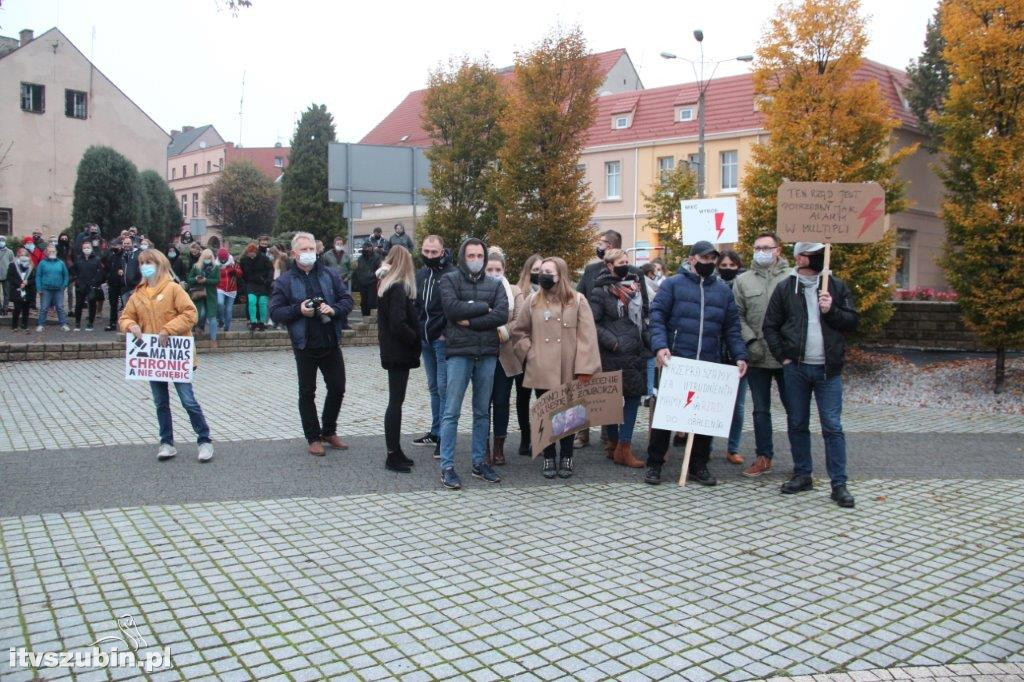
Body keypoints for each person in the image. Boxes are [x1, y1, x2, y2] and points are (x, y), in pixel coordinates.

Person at [762, 241, 859, 508]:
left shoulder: (835, 287)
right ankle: (803, 474)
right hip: (797, 368)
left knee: (832, 426)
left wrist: (832, 310)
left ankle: (839, 484)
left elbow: (852, 321)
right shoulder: (785, 288)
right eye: (811, 253)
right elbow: (770, 325)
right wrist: (784, 356)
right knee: (797, 422)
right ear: (799, 258)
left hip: (828, 370)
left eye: (819, 253)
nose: (816, 258)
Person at [643, 241, 748, 486]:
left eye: (713, 259)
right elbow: (657, 317)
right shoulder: (672, 285)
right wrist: (660, 346)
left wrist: (740, 355)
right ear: (692, 259)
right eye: (704, 258)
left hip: (709, 362)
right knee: (667, 415)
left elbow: (732, 327)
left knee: (704, 416)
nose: (709, 263)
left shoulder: (722, 291)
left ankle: (698, 465)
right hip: (676, 361)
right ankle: (655, 464)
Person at [120, 248, 214, 462]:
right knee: (160, 402)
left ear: (160, 264)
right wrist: (131, 325)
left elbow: (190, 313)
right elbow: (125, 317)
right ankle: (166, 442)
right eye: (142, 263)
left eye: (149, 262)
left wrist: (168, 329)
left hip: (177, 358)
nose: (145, 266)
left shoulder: (173, 289)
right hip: (153, 360)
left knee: (188, 401)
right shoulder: (138, 293)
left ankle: (204, 440)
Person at [511, 256, 601, 478]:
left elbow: (587, 337)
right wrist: (530, 353)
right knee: (546, 413)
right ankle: (549, 456)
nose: (543, 275)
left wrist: (584, 367)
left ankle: (567, 456)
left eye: (548, 272)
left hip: (568, 366)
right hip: (542, 366)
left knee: (569, 414)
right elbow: (519, 331)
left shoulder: (578, 300)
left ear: (560, 275)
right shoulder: (532, 300)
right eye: (540, 271)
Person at [269, 232, 354, 456]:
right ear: (294, 253)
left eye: (311, 249)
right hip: (304, 344)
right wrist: (299, 310)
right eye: (304, 250)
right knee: (307, 392)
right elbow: (275, 312)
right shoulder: (285, 280)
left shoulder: (330, 274)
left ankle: (329, 430)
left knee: (337, 387)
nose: (309, 253)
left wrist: (333, 309)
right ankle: (313, 437)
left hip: (330, 340)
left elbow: (347, 300)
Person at [436, 238, 508, 489]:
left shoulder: (495, 284)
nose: (476, 260)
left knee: (481, 412)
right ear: (462, 257)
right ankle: (447, 466)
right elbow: (452, 310)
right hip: (459, 353)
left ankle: (480, 462)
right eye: (471, 255)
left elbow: (501, 314)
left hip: (487, 353)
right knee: (451, 412)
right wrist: (483, 309)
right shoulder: (450, 280)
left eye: (480, 255)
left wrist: (473, 319)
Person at [733, 232, 791, 477]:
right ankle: (764, 456)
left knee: (795, 409)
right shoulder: (743, 280)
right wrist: (751, 340)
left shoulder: (793, 277)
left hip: (787, 357)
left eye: (767, 247)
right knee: (760, 410)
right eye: (757, 247)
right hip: (757, 355)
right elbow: (737, 315)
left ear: (778, 250)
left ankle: (802, 460)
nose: (762, 251)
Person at [588, 249, 648, 468]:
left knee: (632, 400)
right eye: (621, 262)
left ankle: (624, 447)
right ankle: (613, 443)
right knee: (611, 401)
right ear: (610, 266)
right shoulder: (599, 290)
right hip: (613, 353)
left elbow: (644, 315)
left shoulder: (636, 286)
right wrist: (612, 342)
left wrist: (650, 342)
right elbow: (591, 323)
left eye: (627, 261)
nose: (626, 265)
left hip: (635, 353)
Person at [376, 246, 421, 473]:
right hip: (398, 352)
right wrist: (415, 338)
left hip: (393, 351)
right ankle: (392, 454)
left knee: (396, 401)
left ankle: (396, 450)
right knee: (395, 402)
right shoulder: (397, 288)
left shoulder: (386, 286)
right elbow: (398, 323)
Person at [412, 235, 455, 454]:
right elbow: (417, 305)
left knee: (443, 387)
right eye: (426, 251)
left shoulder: (451, 274)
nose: (429, 255)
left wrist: (445, 332)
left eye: (433, 252)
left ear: (442, 251)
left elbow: (454, 307)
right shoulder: (421, 274)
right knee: (433, 387)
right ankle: (436, 431)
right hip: (426, 339)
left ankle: (444, 438)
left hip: (441, 339)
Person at [485, 251, 524, 466]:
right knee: (483, 403)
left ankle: (499, 446)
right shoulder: (478, 289)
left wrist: (503, 331)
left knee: (501, 401)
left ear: (504, 270)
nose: (493, 274)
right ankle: (483, 445)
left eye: (497, 270)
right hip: (482, 354)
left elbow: (520, 319)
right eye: (489, 270)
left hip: (506, 354)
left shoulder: (515, 291)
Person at [507, 253, 543, 456]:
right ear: (528, 272)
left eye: (542, 270)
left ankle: (541, 436)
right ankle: (525, 436)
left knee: (542, 396)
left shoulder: (552, 293)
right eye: (535, 271)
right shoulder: (521, 292)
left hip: (543, 355)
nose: (539, 274)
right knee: (522, 397)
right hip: (522, 353)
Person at [716, 249, 747, 465]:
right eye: (723, 266)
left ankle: (733, 447)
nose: (727, 269)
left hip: (737, 352)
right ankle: (704, 445)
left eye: (731, 266)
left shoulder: (744, 286)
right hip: (714, 351)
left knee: (738, 406)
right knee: (709, 402)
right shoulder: (711, 286)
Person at [35, 243, 70, 332]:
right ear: (46, 252)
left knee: (60, 307)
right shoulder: (42, 263)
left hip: (58, 289)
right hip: (46, 289)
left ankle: (63, 324)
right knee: (44, 307)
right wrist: (39, 288)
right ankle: (41, 324)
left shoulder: (61, 263)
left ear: (56, 252)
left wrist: (64, 285)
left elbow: (66, 275)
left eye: (53, 251)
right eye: (49, 251)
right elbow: (38, 276)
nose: (51, 252)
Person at [187, 249, 220, 345]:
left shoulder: (216, 267)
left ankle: (213, 339)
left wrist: (206, 280)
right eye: (205, 258)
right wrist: (196, 279)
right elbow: (189, 279)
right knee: (201, 313)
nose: (207, 259)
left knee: (213, 317)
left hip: (211, 295)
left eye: (209, 258)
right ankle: (198, 326)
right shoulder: (196, 267)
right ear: (202, 257)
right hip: (199, 294)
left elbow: (217, 281)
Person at [72, 239, 104, 331]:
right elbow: (74, 270)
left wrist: (95, 283)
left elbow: (100, 272)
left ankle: (90, 323)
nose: (86, 249)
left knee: (92, 305)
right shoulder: (78, 259)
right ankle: (77, 323)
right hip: (80, 285)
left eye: (88, 247)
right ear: (82, 249)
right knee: (78, 305)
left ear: (91, 248)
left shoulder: (96, 259)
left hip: (91, 286)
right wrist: (76, 280)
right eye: (84, 247)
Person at [240, 242, 273, 331]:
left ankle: (262, 322)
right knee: (251, 301)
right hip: (251, 284)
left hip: (263, 284)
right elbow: (242, 273)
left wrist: (268, 281)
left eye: (253, 254)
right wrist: (244, 283)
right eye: (249, 254)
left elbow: (270, 269)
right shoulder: (245, 260)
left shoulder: (264, 258)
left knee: (262, 303)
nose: (251, 256)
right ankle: (253, 322)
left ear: (256, 252)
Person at [7, 248, 35, 331]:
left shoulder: (31, 266)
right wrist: (20, 284)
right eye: (21, 255)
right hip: (17, 289)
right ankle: (14, 326)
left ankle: (24, 325)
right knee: (17, 308)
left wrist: (27, 283)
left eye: (25, 255)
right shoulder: (13, 265)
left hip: (28, 290)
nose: (23, 257)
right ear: (18, 255)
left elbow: (34, 278)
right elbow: (10, 277)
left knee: (26, 309)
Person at [216, 248, 242, 332]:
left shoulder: (233, 263)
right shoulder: (216, 264)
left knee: (229, 309)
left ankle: (227, 327)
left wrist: (234, 270)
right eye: (221, 259)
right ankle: (221, 321)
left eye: (224, 259)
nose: (223, 260)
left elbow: (240, 273)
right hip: (220, 288)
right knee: (220, 303)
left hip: (231, 289)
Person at [353, 242, 382, 317]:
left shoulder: (377, 257)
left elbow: (378, 270)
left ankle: (373, 318)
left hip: (372, 283)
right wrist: (360, 280)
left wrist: (372, 276)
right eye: (366, 248)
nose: (368, 250)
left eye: (369, 248)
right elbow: (358, 270)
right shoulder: (360, 258)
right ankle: (365, 318)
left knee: (372, 301)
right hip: (362, 283)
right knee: (364, 302)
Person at [102, 240, 124, 331]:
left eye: (119, 245)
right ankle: (112, 323)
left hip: (123, 284)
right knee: (113, 305)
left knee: (125, 305)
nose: (117, 247)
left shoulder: (125, 255)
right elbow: (104, 263)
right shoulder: (111, 255)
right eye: (115, 245)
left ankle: (125, 324)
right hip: (112, 283)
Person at [120, 236, 142, 308]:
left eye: (128, 243)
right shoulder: (122, 254)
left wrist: (138, 285)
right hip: (124, 288)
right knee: (126, 310)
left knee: (136, 309)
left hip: (135, 287)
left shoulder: (139, 254)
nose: (126, 245)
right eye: (125, 243)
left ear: (132, 244)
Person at [0, 236, 13, 315]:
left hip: (6, 276)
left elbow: (12, 263)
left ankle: (5, 309)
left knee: (6, 293)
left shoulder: (10, 252)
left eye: (3, 240)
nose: (1, 242)